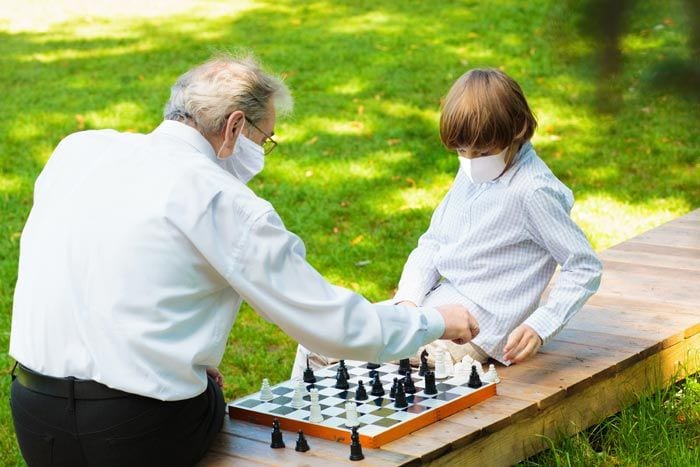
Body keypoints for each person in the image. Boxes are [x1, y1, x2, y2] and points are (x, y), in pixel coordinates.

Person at [8, 54, 478, 467]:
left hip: (32, 413)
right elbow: (333, 326)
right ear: (234, 127)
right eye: (266, 139)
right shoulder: (222, 199)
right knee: (204, 394)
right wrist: (433, 321)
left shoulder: (78, 150)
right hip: (138, 431)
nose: (263, 154)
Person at [292, 68, 602, 377]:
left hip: (473, 332)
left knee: (334, 347)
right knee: (318, 336)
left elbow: (584, 265)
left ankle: (314, 423)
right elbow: (433, 242)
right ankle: (305, 422)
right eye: (461, 152)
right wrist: (408, 301)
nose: (470, 161)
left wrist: (541, 324)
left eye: (481, 152)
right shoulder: (476, 168)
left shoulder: (532, 191)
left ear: (517, 129)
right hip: (435, 310)